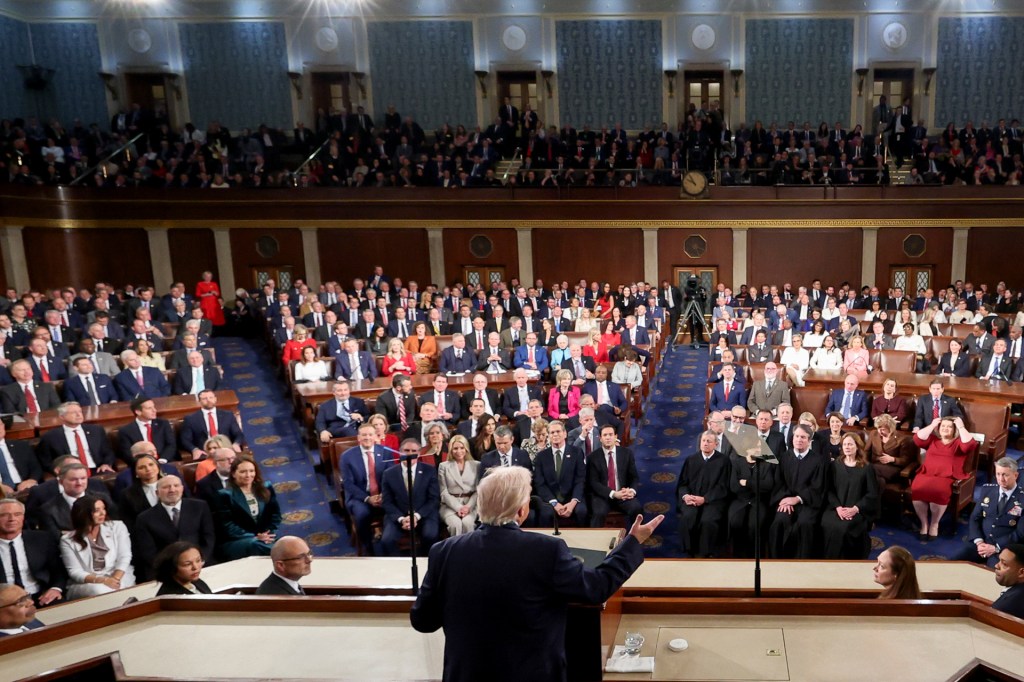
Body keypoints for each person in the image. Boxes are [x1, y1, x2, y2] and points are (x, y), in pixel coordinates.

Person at [410, 466, 663, 682]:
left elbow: (423, 620)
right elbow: (595, 588)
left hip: (466, 674)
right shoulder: (547, 550)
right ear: (522, 511)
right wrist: (632, 543)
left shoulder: (443, 552)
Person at [133, 475, 216, 582]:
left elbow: (208, 537)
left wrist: (200, 560)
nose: (172, 490)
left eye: (176, 485)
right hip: (167, 570)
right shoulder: (144, 518)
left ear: (182, 488)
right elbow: (148, 552)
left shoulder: (200, 506)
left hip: (201, 564)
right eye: (166, 487)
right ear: (157, 493)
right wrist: (172, 568)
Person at [911, 416, 977, 541]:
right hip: (927, 474)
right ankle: (924, 524)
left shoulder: (958, 443)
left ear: (954, 430)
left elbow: (970, 445)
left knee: (939, 491)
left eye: (949, 426)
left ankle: (935, 524)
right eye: (943, 426)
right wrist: (931, 425)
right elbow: (917, 438)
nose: (946, 428)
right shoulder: (932, 440)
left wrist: (961, 426)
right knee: (917, 488)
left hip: (946, 477)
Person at [768, 424, 828, 559]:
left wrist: (798, 499)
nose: (799, 440)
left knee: (804, 524)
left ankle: (802, 562)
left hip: (807, 503)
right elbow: (779, 482)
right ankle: (776, 560)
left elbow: (817, 487)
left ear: (810, 441)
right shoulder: (784, 457)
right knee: (780, 521)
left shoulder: (818, 461)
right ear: (792, 438)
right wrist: (785, 500)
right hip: (786, 500)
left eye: (803, 437)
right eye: (796, 436)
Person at [58, 495, 135, 600]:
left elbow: (125, 556)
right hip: (88, 583)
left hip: (118, 575)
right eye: (97, 510)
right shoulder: (67, 540)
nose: (103, 513)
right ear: (83, 513)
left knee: (119, 588)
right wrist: (103, 580)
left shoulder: (117, 527)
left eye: (103, 509)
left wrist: (115, 579)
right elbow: (75, 572)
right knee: (100, 590)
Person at [953, 458, 1023, 567]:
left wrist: (996, 547)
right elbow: (975, 518)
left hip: (1004, 548)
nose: (1001, 479)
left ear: (1015, 475)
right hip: (981, 543)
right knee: (952, 562)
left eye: (1005, 475)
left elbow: (1020, 533)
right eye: (998, 474)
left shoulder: (1022, 498)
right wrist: (979, 542)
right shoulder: (987, 490)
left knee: (995, 575)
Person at [0, 498, 67, 606]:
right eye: (4, 515)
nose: (12, 519)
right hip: (5, 603)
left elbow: (59, 571)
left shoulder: (42, 539)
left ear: (23, 517)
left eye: (17, 514)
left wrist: (55, 588)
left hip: (39, 595)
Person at [821, 433, 878, 559]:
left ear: (857, 447)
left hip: (857, 510)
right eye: (845, 444)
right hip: (836, 507)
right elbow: (829, 490)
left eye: (850, 444)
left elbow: (872, 494)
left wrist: (855, 509)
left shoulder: (867, 468)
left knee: (844, 528)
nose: (847, 447)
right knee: (827, 524)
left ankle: (844, 563)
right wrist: (838, 507)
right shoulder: (835, 465)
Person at [380, 439, 440, 556]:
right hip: (398, 515)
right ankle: (399, 566)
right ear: (399, 452)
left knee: (431, 535)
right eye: (406, 450)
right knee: (387, 540)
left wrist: (416, 517)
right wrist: (402, 519)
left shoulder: (429, 470)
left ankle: (426, 563)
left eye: (414, 451)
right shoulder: (388, 473)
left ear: (419, 453)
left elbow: (433, 499)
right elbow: (387, 502)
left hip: (423, 513)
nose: (410, 454)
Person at [214, 457, 282, 560]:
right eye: (243, 472)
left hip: (265, 537)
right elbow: (228, 526)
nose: (248, 475)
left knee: (287, 542)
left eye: (251, 471)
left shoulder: (266, 487)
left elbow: (275, 515)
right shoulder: (224, 495)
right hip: (237, 541)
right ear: (233, 474)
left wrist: (268, 534)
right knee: (259, 545)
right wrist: (255, 537)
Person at [676, 430, 730, 557]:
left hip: (713, 501)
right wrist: (686, 496)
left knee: (708, 521)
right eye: (703, 441)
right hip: (692, 499)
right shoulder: (691, 460)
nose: (705, 444)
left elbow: (723, 487)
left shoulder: (723, 461)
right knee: (688, 516)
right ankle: (689, 550)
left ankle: (706, 553)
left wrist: (705, 499)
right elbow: (682, 483)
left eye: (709, 441)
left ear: (716, 444)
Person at [587, 424, 641, 528]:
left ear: (616, 436)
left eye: (611, 434)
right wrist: (613, 494)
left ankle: (637, 538)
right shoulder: (593, 457)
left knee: (636, 509)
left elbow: (634, 477)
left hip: (623, 494)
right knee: (598, 513)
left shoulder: (627, 453)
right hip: (602, 496)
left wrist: (631, 491)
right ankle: (595, 542)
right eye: (605, 435)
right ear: (600, 438)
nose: (608, 437)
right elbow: (594, 483)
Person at [437, 435, 479, 536]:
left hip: (471, 505)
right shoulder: (443, 466)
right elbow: (443, 492)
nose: (459, 451)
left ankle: (470, 551)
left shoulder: (477, 465)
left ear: (466, 449)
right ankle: (456, 551)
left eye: (462, 447)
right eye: (455, 448)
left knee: (467, 523)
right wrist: (458, 508)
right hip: (449, 505)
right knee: (455, 524)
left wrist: (467, 507)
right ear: (451, 449)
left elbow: (478, 491)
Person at [867, 414, 917, 486]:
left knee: (869, 471)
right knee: (879, 481)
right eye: (878, 429)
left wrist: (892, 459)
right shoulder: (873, 434)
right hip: (875, 464)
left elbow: (906, 460)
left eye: (883, 429)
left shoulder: (902, 439)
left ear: (891, 428)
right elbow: (866, 452)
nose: (879, 432)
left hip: (892, 468)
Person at [992, 543, 1024, 619]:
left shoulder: (1007, 605)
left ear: (1022, 572)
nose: (996, 566)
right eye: (999, 560)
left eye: (1004, 564)